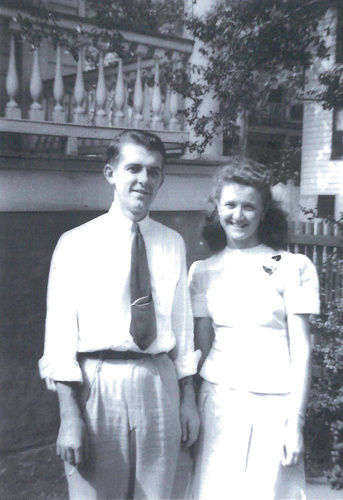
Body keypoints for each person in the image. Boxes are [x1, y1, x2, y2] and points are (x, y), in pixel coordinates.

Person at [39, 130, 200, 500]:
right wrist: (69, 416)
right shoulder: (76, 243)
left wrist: (187, 400)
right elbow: (60, 336)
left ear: (162, 179)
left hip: (159, 382)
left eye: (154, 171)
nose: (144, 180)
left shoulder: (172, 243)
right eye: (133, 168)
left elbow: (183, 328)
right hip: (98, 383)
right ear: (111, 173)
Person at [188, 159, 320, 500]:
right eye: (230, 205)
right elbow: (201, 349)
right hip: (218, 403)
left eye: (250, 207)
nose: (239, 215)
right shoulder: (202, 271)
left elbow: (302, 350)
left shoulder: (292, 268)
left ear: (264, 214)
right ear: (217, 209)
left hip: (275, 405)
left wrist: (296, 421)